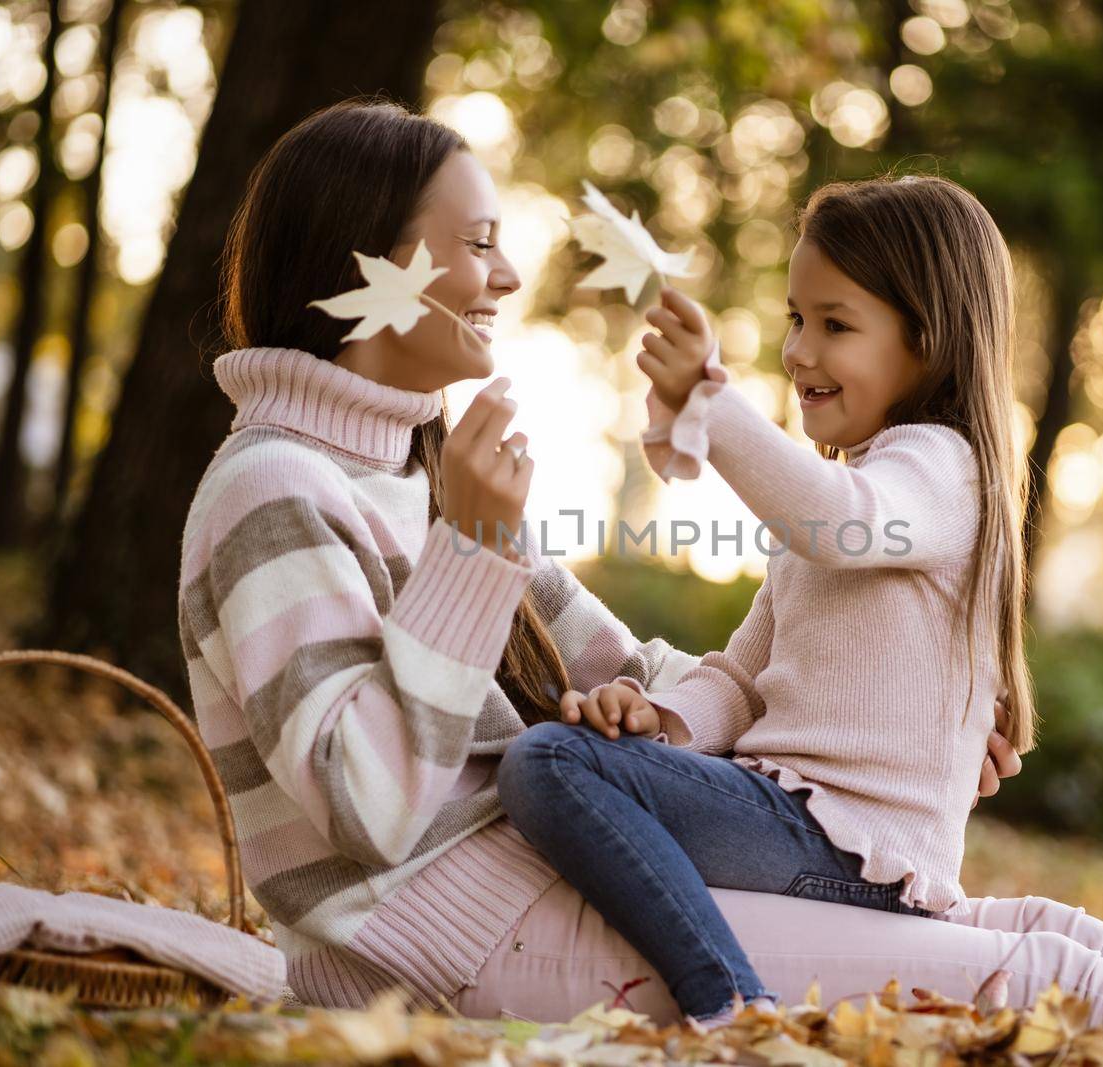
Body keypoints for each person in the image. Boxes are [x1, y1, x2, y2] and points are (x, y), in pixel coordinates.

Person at [495, 175, 1103, 1066]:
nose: (798, 351)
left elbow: (837, 526)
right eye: (796, 318)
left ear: (927, 336)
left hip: (834, 840)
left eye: (835, 324)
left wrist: (712, 404)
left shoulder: (936, 468)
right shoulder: (845, 500)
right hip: (794, 825)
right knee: (577, 755)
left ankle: (728, 1006)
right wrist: (659, 721)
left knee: (545, 764)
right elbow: (742, 672)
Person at [175, 99, 1019, 1029]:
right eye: (482, 241)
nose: (511, 271)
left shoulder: (416, 469)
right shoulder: (272, 491)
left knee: (1035, 949)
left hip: (535, 890)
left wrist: (902, 711)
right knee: (1013, 979)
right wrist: (469, 553)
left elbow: (619, 672)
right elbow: (368, 806)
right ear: (369, 263)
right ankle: (732, 1026)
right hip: (457, 936)